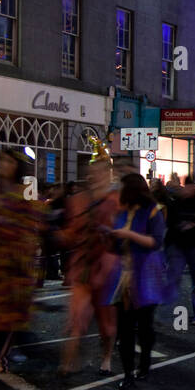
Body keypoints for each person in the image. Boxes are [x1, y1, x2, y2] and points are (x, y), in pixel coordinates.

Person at [0, 148, 43, 372]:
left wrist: (0, 219)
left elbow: (29, 224)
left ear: (16, 165)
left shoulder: (23, 192)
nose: (2, 165)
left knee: (11, 311)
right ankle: (7, 352)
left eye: (7, 161)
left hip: (15, 261)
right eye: (0, 161)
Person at [103, 174, 167, 390]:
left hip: (146, 275)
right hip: (124, 276)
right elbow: (116, 245)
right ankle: (129, 373)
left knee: (145, 326)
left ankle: (145, 365)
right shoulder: (122, 211)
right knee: (125, 328)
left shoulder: (152, 211)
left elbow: (155, 242)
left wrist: (128, 234)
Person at [60, 158, 120, 375]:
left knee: (107, 320)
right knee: (77, 317)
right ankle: (68, 361)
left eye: (100, 171)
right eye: (92, 172)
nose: (95, 176)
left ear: (108, 173)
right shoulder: (77, 201)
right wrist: (61, 235)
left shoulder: (117, 199)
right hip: (83, 265)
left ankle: (106, 357)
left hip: (107, 266)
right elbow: (70, 232)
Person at [165, 173, 195, 325]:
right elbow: (170, 225)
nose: (188, 189)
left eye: (192, 187)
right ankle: (166, 311)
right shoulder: (177, 203)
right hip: (179, 246)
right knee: (173, 279)